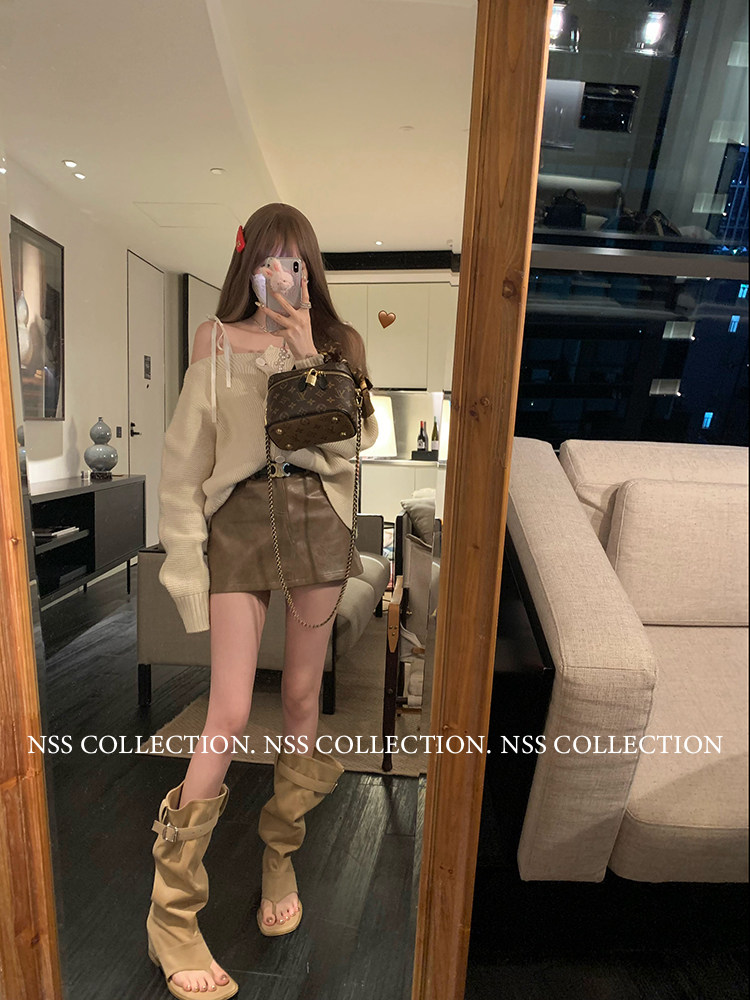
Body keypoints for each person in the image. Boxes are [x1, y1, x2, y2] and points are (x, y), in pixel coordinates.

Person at [145, 203, 379, 999]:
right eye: (267, 259)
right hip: (240, 523)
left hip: (316, 520)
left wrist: (308, 349)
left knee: (305, 697)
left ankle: (280, 854)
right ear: (245, 265)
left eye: (295, 261)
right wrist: (184, 566)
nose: (280, 273)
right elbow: (186, 462)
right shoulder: (212, 341)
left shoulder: (340, 345)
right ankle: (171, 911)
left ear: (310, 270)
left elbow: (357, 443)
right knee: (231, 709)